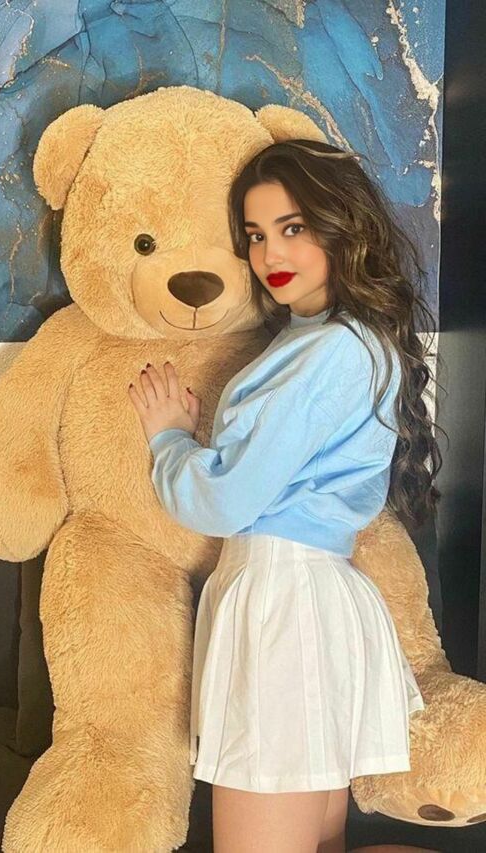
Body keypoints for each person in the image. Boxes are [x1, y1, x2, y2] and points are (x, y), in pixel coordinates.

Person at [127, 139, 443, 853]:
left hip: (284, 605)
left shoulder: (333, 349)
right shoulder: (326, 340)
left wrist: (170, 440)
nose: (270, 252)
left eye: (292, 227)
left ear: (341, 227)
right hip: (299, 600)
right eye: (255, 234)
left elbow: (225, 500)